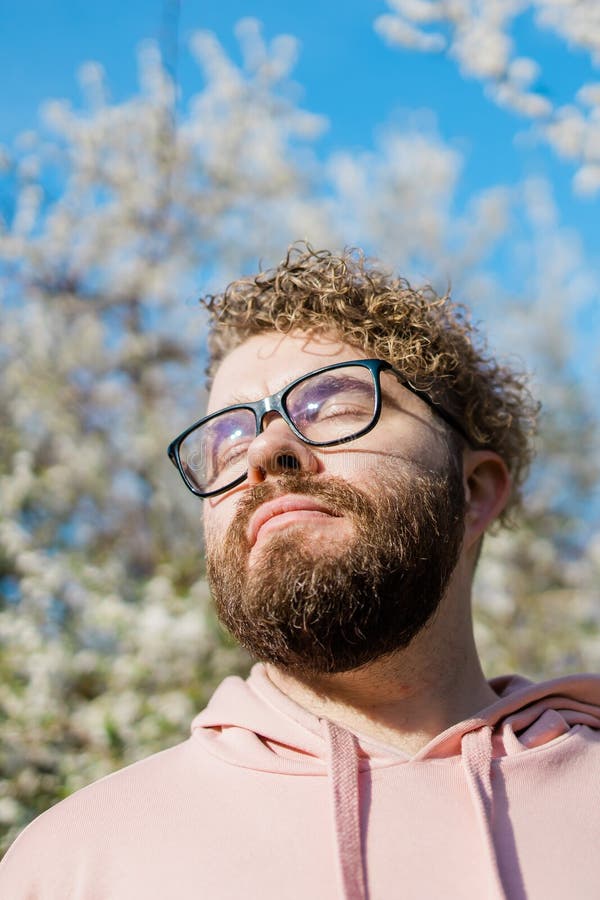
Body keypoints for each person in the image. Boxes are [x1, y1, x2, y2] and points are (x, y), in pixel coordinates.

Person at [1, 245, 599, 899]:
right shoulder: (69, 867)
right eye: (226, 439)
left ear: (475, 491)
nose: (264, 449)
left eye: (333, 404)